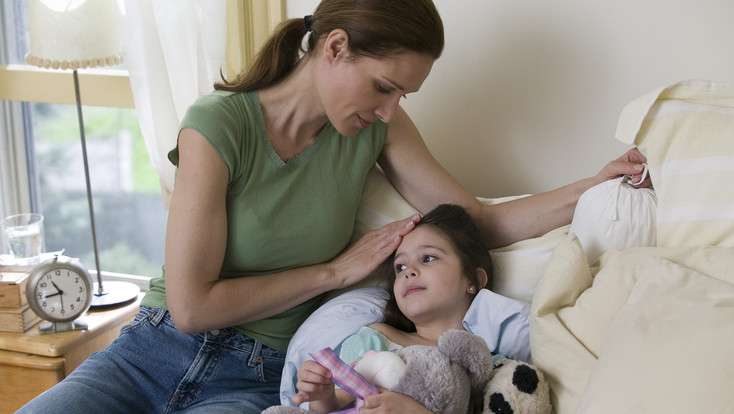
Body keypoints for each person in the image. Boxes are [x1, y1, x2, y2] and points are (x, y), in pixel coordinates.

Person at [18, 0, 649, 412]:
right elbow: (190, 307)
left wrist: (592, 186)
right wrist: (333, 273)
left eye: (402, 94)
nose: (389, 109)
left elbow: (476, 217)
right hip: (148, 356)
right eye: (383, 86)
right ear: (335, 46)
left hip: (259, 378)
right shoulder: (219, 125)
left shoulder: (376, 131)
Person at [292, 204, 528, 413]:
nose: (408, 271)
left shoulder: (487, 363)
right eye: (400, 266)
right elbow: (338, 404)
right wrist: (323, 396)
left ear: (473, 280)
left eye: (428, 258)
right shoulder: (376, 338)